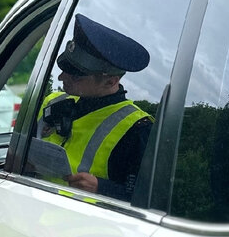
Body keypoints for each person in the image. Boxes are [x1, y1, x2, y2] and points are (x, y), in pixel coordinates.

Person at [36, 14, 153, 200]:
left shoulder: (137, 130)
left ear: (110, 81)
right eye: (65, 68)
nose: (61, 78)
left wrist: (103, 188)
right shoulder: (52, 101)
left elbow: (147, 199)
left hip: (84, 225)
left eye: (76, 76)